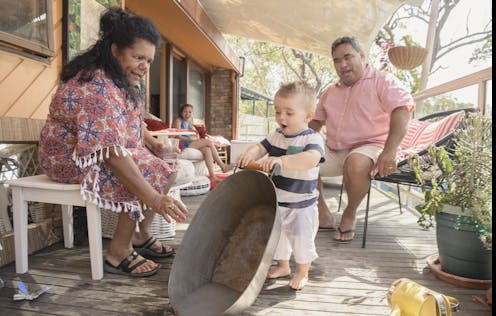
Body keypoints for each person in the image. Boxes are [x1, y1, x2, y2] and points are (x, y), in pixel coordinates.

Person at [38, 8, 188, 277]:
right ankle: (118, 252)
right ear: (115, 51)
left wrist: (151, 141)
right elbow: (110, 153)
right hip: (68, 156)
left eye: (149, 60)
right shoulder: (94, 83)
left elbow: (124, 120)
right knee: (141, 170)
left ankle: (140, 235)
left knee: (167, 163)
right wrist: (154, 198)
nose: (144, 66)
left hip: (103, 149)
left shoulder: (122, 80)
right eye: (138, 57)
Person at [309, 36, 415, 243]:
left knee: (356, 162)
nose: (342, 64)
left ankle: (350, 212)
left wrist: (390, 151)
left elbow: (402, 110)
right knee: (303, 156)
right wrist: (294, 142)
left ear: (362, 55)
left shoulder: (382, 81)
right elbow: (315, 123)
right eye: (337, 60)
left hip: (369, 147)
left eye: (348, 57)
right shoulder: (330, 92)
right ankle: (322, 211)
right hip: (334, 149)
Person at [236, 81, 325, 290]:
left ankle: (302, 272)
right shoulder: (276, 135)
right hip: (279, 200)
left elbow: (311, 159)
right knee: (279, 238)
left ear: (308, 116)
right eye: (277, 111)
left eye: (289, 113)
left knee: (301, 239)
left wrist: (282, 160)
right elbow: (260, 147)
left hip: (302, 205)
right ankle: (283, 266)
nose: (281, 117)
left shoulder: (311, 138)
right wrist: (250, 153)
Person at [172, 104, 233, 182]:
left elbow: (196, 135)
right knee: (208, 142)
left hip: (190, 143)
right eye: (185, 112)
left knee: (207, 149)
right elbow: (176, 136)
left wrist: (197, 137)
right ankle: (223, 166)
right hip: (183, 144)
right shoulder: (178, 121)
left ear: (192, 113)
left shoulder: (190, 123)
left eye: (190, 112)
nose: (187, 114)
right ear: (181, 112)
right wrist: (189, 139)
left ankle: (212, 176)